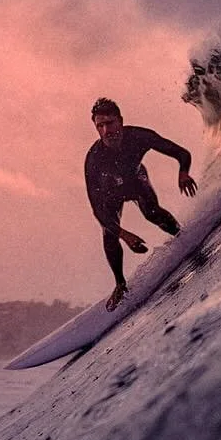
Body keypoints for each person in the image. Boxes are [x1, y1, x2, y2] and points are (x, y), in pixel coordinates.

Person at [85, 96, 197, 311]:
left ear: (120, 121)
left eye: (110, 123)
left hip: (136, 181)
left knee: (153, 213)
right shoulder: (94, 159)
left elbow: (181, 153)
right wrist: (124, 235)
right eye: (100, 126)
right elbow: (97, 208)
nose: (107, 130)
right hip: (110, 195)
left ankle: (184, 238)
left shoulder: (138, 136)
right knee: (109, 231)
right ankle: (120, 284)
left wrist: (183, 172)